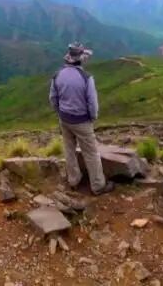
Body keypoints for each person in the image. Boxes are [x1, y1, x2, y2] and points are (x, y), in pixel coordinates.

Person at [49, 43, 114, 195]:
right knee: (91, 153)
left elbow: (53, 98)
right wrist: (92, 117)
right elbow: (92, 103)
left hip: (64, 119)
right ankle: (98, 186)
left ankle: (73, 180)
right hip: (82, 121)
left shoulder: (57, 75)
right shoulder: (86, 78)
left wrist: (60, 112)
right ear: (81, 60)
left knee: (69, 149)